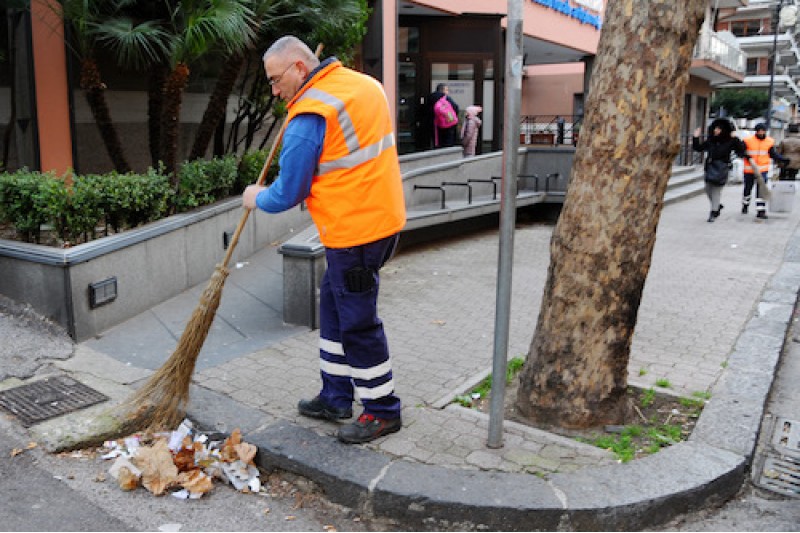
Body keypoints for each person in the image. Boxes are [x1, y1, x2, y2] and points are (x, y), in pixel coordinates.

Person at [242, 36, 406, 444]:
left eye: (276, 80)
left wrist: (255, 197)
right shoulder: (363, 85)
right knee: (333, 303)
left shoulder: (310, 114)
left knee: (357, 320)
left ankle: (382, 410)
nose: (275, 91)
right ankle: (335, 396)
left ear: (299, 68)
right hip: (381, 219)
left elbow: (287, 192)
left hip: (355, 231)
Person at [692, 118, 745, 222]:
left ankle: (713, 212)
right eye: (715, 128)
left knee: (716, 190)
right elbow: (698, 148)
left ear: (724, 130)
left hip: (722, 168)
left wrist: (736, 139)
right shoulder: (711, 140)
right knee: (707, 189)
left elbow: (741, 151)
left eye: (719, 129)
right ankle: (717, 205)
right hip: (710, 167)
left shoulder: (731, 140)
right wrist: (695, 137)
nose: (716, 131)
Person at [742, 123, 788, 219]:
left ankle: (760, 211)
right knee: (747, 189)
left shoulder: (769, 141)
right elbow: (741, 151)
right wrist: (746, 156)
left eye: (763, 131)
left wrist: (782, 159)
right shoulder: (748, 140)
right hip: (749, 170)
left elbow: (772, 154)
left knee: (761, 190)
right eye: (759, 131)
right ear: (756, 131)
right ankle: (745, 204)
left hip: (762, 170)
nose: (761, 132)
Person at [429, 83, 459, 148]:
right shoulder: (446, 98)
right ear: (442, 91)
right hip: (448, 124)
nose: (448, 92)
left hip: (435, 125)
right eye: (446, 90)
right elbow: (455, 107)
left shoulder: (431, 98)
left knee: (438, 143)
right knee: (448, 143)